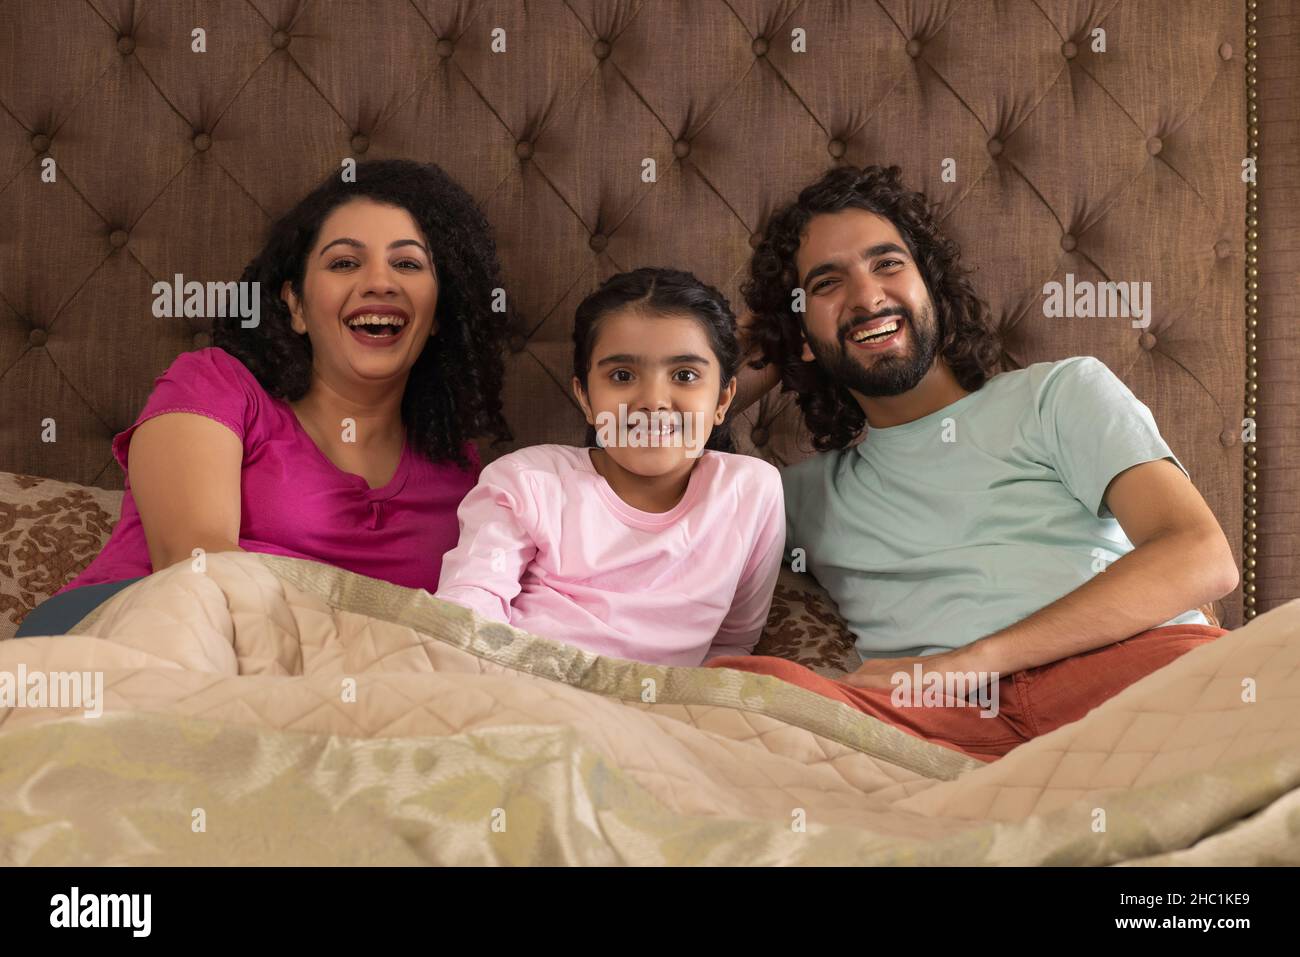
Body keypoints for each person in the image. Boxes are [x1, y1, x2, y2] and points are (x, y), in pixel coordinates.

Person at [709, 164, 1238, 761]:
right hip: (937, 730)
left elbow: (1201, 557)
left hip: (1127, 673)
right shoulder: (791, 496)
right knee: (733, 696)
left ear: (930, 287)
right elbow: (664, 453)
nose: (867, 296)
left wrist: (964, 664)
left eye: (887, 264)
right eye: (827, 284)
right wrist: (764, 345)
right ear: (800, 335)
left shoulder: (1058, 395)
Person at [16, 160, 511, 637]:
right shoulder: (214, 384)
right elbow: (194, 566)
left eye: (406, 263)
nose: (379, 282)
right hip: (127, 641)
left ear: (440, 314)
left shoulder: (459, 473)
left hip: (331, 696)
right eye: (344, 262)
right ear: (294, 305)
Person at [435, 268, 785, 666]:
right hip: (525, 691)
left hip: (665, 715)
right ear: (585, 397)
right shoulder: (528, 481)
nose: (653, 401)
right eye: (622, 376)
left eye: (684, 375)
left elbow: (733, 642)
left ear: (722, 400)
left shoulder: (752, 492)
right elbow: (468, 607)